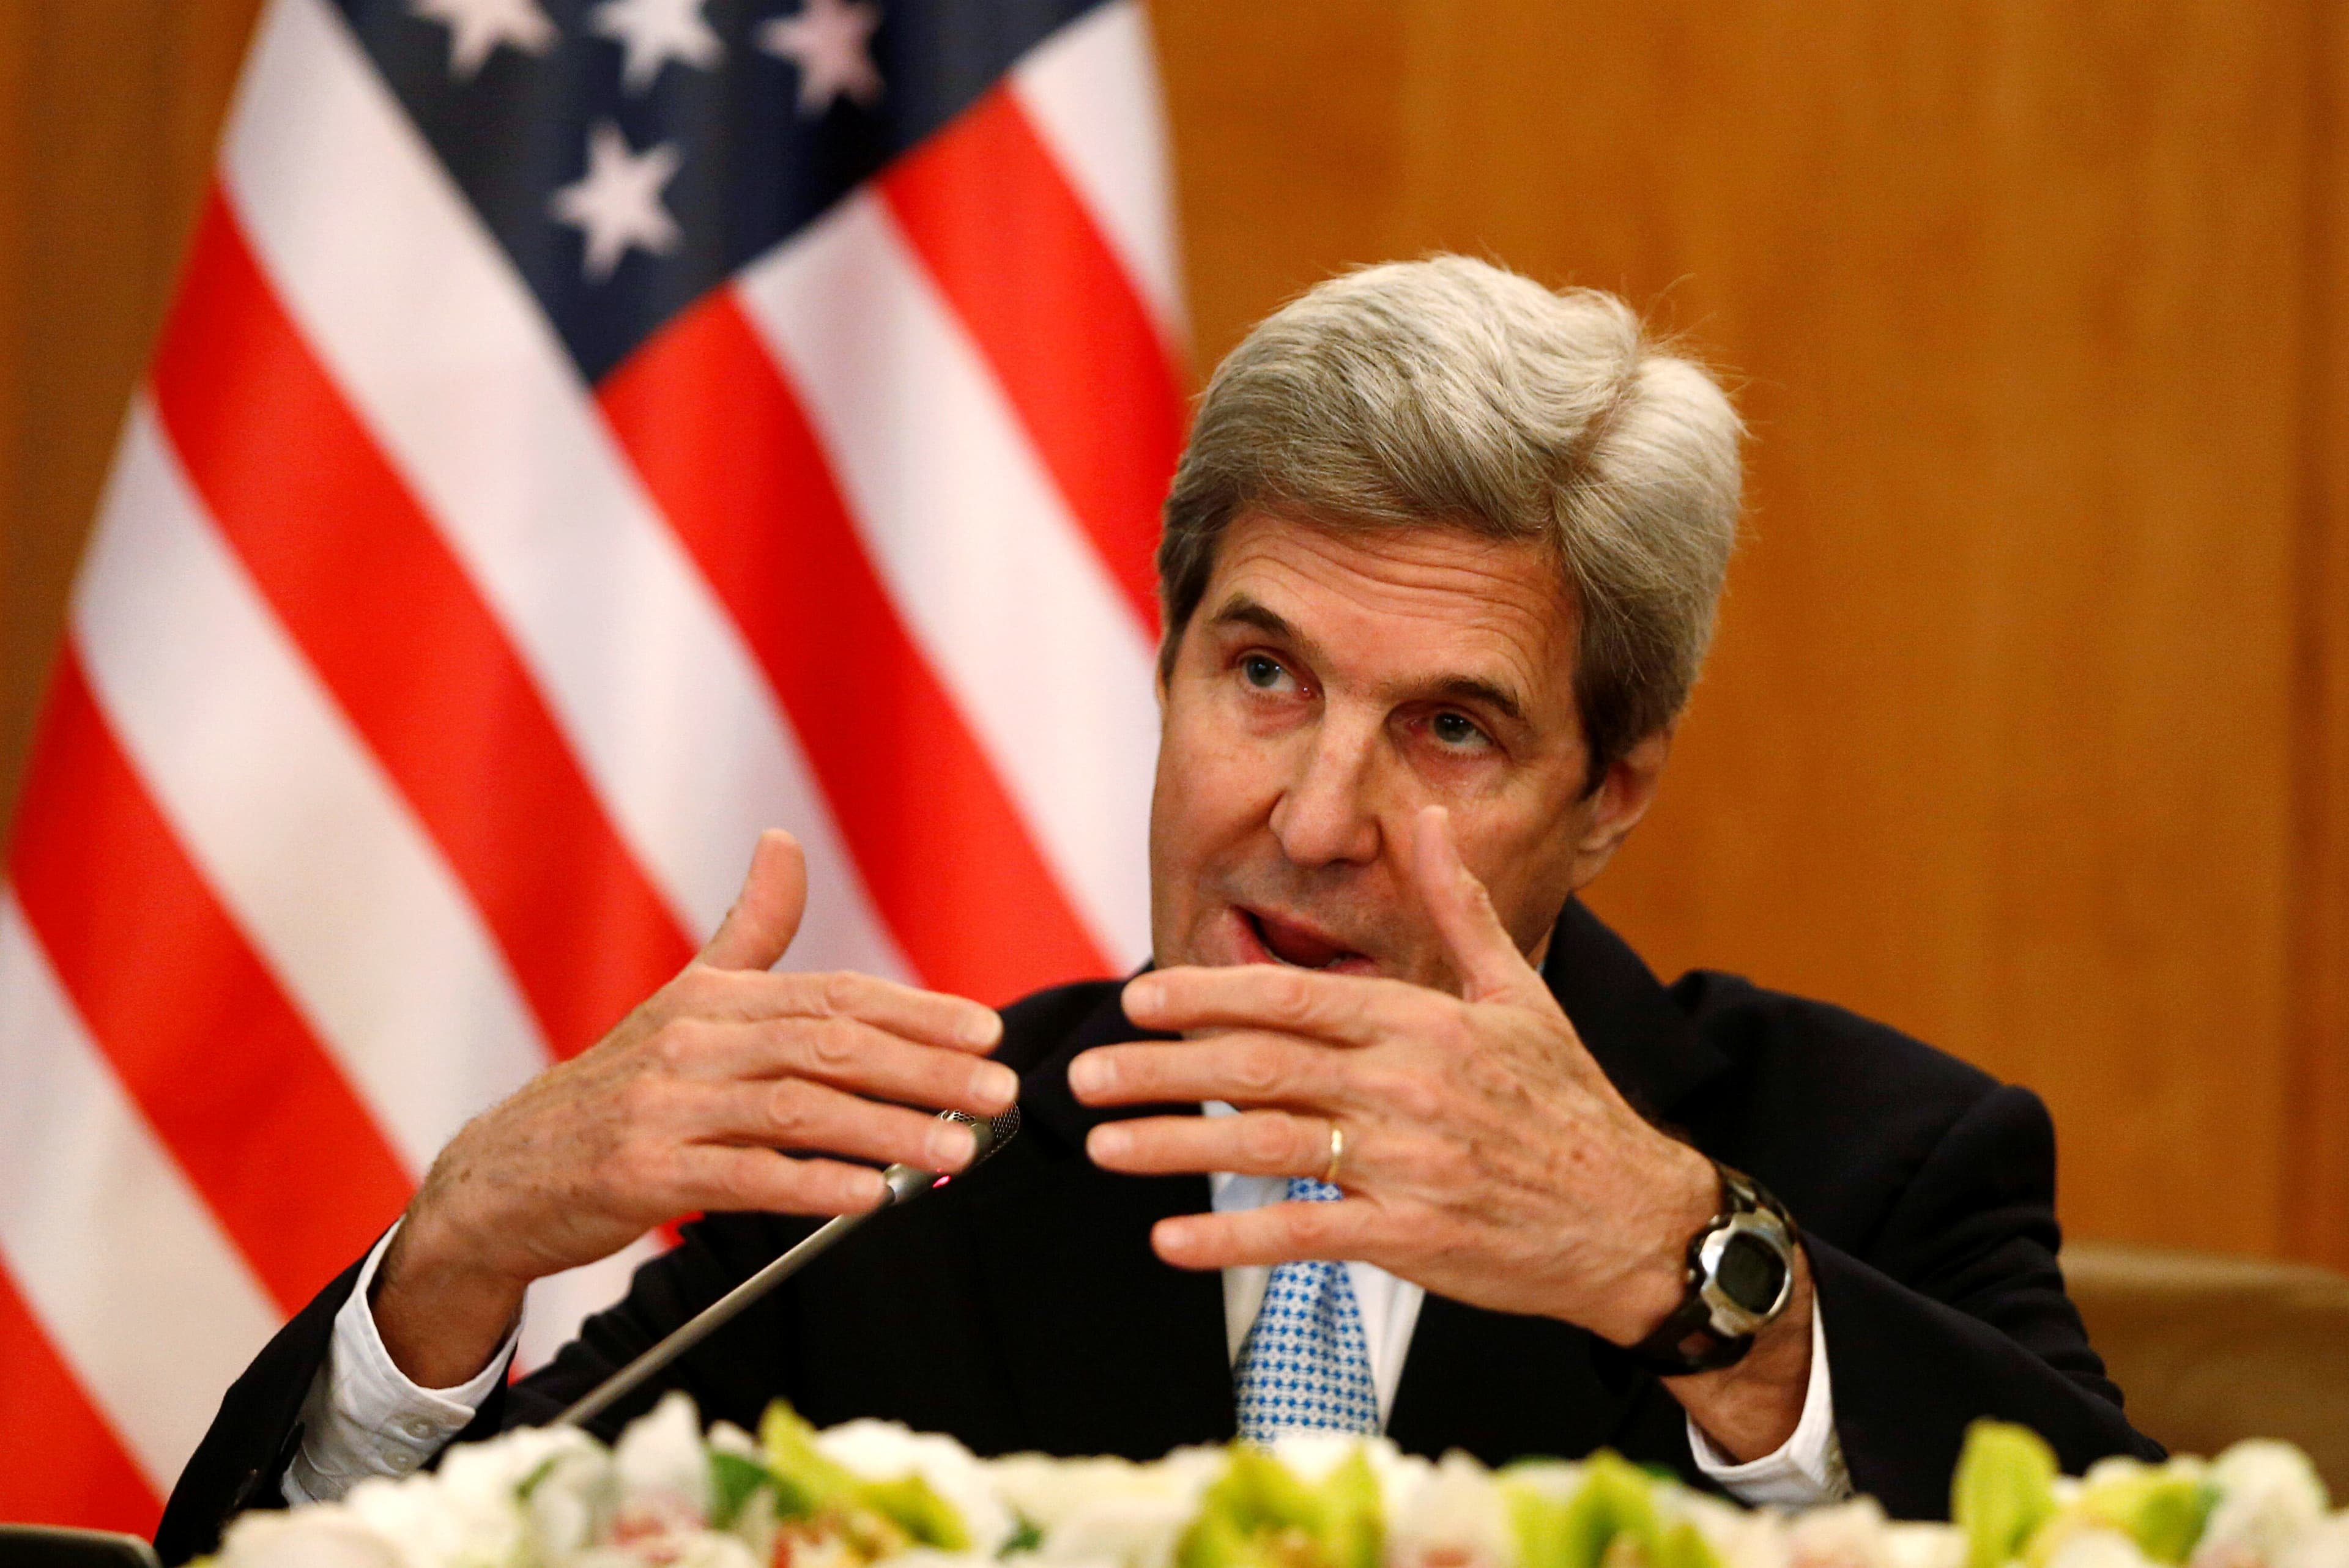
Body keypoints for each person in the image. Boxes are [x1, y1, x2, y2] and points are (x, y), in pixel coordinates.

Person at [157, 257, 2157, 1564]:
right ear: (1170, 657)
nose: (1312, 812)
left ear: (1610, 788)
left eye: (1450, 725)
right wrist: (456, 1261)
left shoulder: (1861, 1162)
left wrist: (1694, 1273)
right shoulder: (917, 1177)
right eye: (1263, 672)